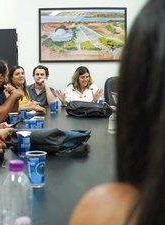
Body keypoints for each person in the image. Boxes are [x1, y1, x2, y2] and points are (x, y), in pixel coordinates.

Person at [69, 0, 165, 225]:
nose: (85, 79)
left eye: (86, 76)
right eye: (81, 77)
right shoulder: (69, 89)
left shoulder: (105, 210)